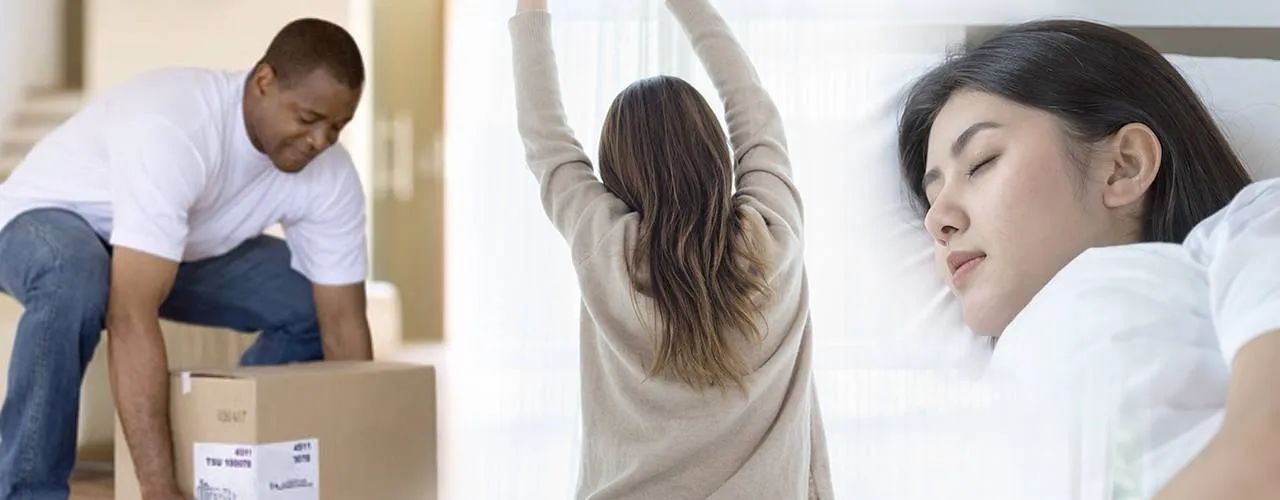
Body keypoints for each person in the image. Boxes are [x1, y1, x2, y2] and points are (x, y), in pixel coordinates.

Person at [896, 19, 1280, 498]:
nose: (938, 221)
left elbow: (1263, 457)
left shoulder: (1251, 231)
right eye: (931, 199)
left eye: (981, 163)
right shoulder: (966, 419)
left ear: (1124, 166)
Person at [0, 18, 374, 499]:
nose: (320, 141)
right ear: (263, 82)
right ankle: (26, 491)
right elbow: (130, 315)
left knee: (309, 305)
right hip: (42, 221)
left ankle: (224, 460)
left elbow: (343, 325)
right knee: (76, 276)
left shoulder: (329, 175)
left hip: (169, 248)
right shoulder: (176, 127)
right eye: (307, 119)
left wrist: (364, 467)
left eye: (337, 127)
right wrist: (156, 488)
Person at [510, 0, 832, 498]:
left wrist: (531, 9)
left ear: (617, 173)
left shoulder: (606, 249)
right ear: (714, 152)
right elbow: (750, 102)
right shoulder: (774, 235)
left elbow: (546, 140)